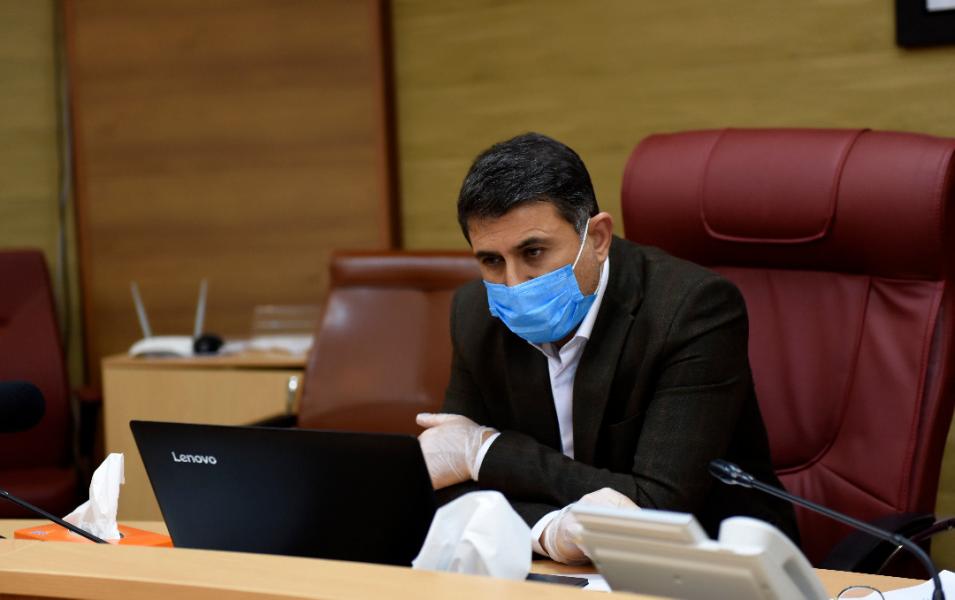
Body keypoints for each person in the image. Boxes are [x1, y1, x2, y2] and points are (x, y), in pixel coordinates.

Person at [417, 132, 798, 564]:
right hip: (554, 574)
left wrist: (484, 451)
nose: (514, 283)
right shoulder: (476, 313)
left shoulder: (692, 310)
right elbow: (453, 494)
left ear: (597, 238)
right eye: (491, 260)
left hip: (710, 569)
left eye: (534, 252)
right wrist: (548, 532)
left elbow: (655, 506)